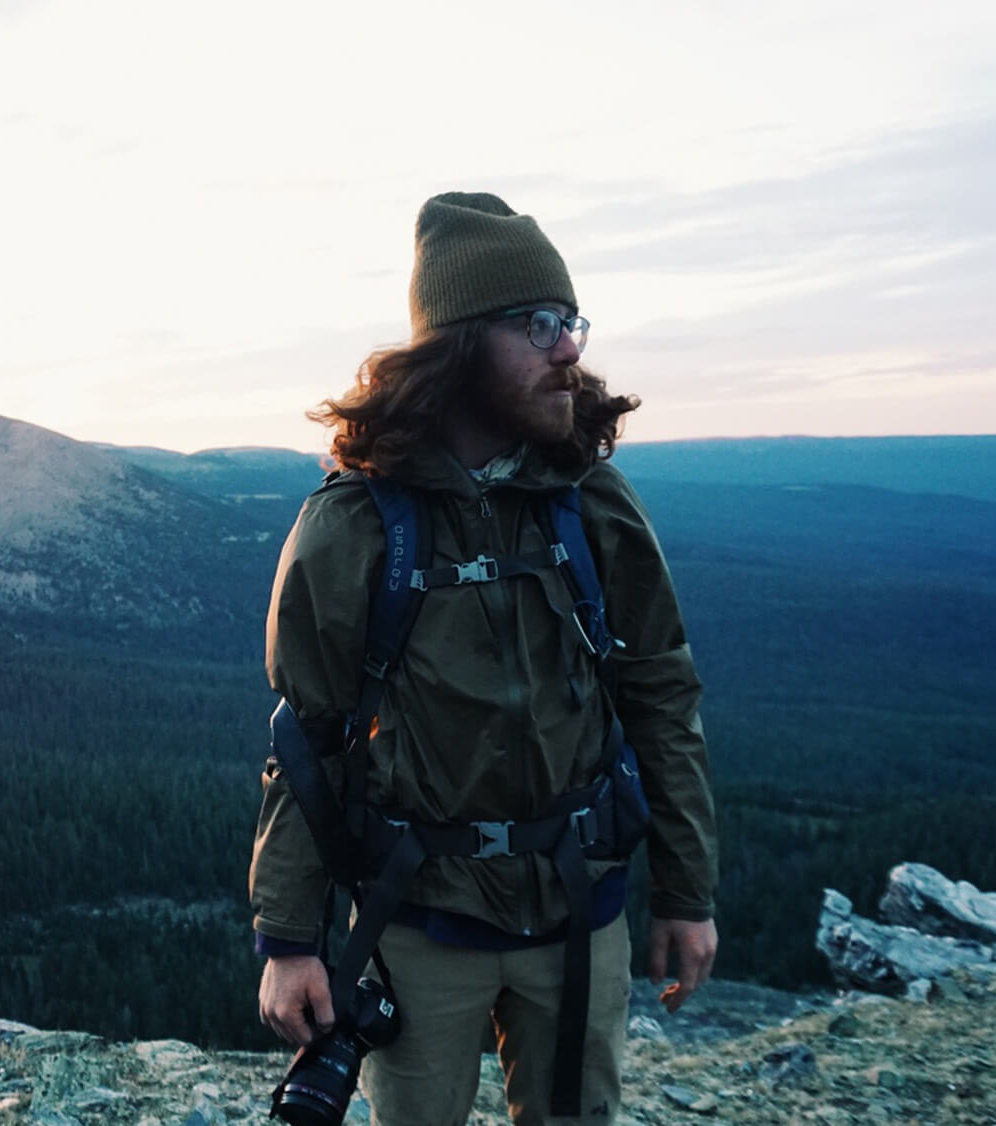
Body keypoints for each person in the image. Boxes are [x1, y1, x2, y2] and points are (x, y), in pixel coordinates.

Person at [250, 191, 719, 1124]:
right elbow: (309, 741)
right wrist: (289, 939)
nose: (569, 349)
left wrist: (686, 890)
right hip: (417, 921)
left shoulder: (593, 503)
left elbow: (660, 694)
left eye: (571, 322)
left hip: (578, 910)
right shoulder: (352, 527)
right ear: (460, 346)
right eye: (538, 324)